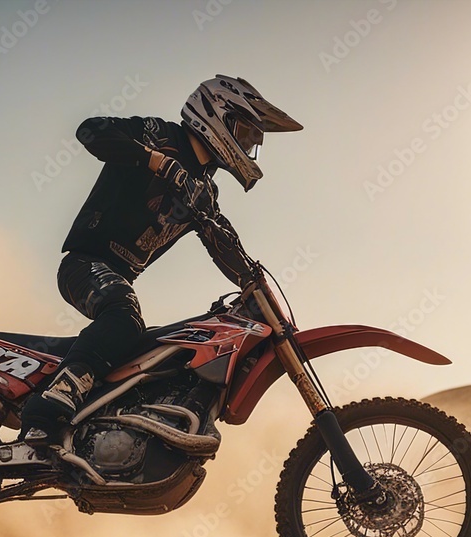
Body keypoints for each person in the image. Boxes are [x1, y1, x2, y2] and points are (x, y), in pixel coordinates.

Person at [20, 75, 303, 448]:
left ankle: (104, 429)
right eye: (246, 133)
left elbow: (221, 245)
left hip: (118, 278)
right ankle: (48, 407)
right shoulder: (160, 135)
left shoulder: (204, 191)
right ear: (219, 114)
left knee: (151, 349)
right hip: (83, 265)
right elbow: (90, 131)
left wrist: (252, 280)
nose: (248, 146)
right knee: (124, 319)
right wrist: (154, 161)